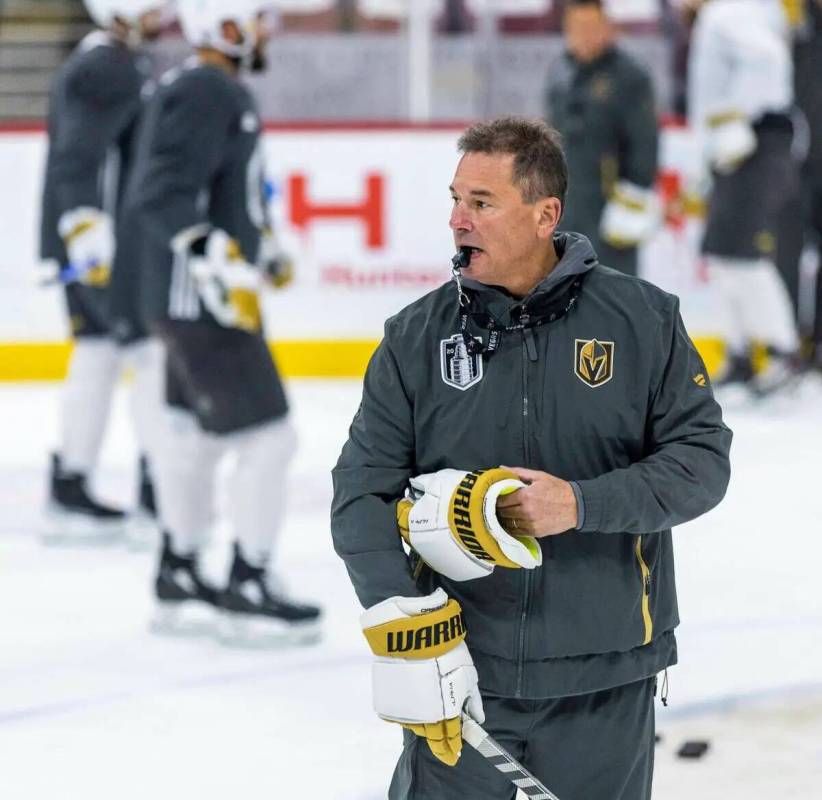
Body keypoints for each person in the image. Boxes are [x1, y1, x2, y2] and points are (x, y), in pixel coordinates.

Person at [331, 117, 732, 799]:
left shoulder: (643, 321)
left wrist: (580, 504)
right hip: (463, 675)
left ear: (545, 214)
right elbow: (361, 494)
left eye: (481, 203)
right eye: (455, 199)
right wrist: (407, 623)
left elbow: (701, 463)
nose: (458, 219)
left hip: (606, 677)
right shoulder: (414, 338)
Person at [129, 0, 321, 643]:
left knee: (199, 441)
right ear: (225, 25)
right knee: (271, 439)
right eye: (258, 18)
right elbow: (160, 191)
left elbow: (207, 190)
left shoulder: (201, 87)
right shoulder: (209, 89)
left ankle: (180, 571)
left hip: (189, 296)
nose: (267, 30)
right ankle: (248, 579)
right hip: (203, 300)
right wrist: (215, 256)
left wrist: (261, 249)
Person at [38, 0, 167, 544]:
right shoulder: (107, 66)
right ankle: (159, 487)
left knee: (98, 354)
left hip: (91, 242)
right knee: (147, 355)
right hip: (106, 248)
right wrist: (89, 230)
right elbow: (78, 157)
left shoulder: (105, 60)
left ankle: (72, 480)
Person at [687, 0, 804, 392]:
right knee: (720, 252)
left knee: (742, 252)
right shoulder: (737, 12)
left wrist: (733, 119)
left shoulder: (729, 11)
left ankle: (780, 350)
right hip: (741, 146)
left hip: (753, 144)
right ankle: (741, 351)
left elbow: (768, 61)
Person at [544, 0, 659, 278]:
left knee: (613, 294)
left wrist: (632, 200)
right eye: (577, 27)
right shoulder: (559, 72)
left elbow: (645, 142)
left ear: (608, 27)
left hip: (610, 209)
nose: (585, 35)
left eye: (592, 26)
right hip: (566, 206)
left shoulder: (629, 76)